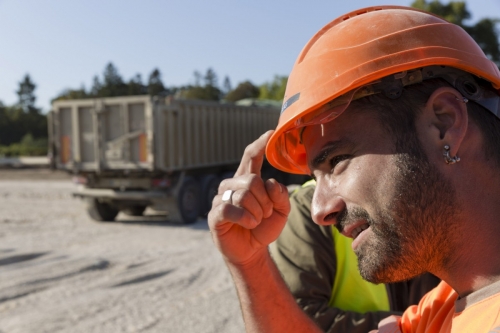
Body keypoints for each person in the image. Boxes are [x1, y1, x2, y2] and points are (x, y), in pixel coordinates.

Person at [208, 5, 500, 333]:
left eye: (336, 162)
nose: (320, 210)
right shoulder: (447, 307)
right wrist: (250, 264)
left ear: (443, 124)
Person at [270, 180, 440, 332]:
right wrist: (413, 325)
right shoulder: (307, 209)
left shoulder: (427, 200)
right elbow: (293, 319)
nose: (321, 212)